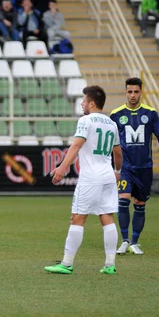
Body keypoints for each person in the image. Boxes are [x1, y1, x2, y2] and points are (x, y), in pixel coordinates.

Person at [44, 85, 123, 275]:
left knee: (77, 218)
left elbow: (77, 145)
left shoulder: (85, 120)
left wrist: (62, 168)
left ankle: (66, 263)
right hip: (107, 176)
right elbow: (118, 153)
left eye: (84, 101)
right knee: (107, 218)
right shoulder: (111, 123)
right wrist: (117, 171)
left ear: (92, 103)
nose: (82, 104)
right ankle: (110, 264)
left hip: (90, 177)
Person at [110, 77, 159, 255]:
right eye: (129, 92)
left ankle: (134, 242)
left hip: (145, 167)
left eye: (136, 92)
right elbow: (110, 143)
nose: (133, 95)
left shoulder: (151, 113)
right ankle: (124, 241)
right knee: (123, 200)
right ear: (125, 92)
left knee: (139, 203)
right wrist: (114, 168)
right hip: (126, 168)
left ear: (141, 92)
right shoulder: (116, 115)